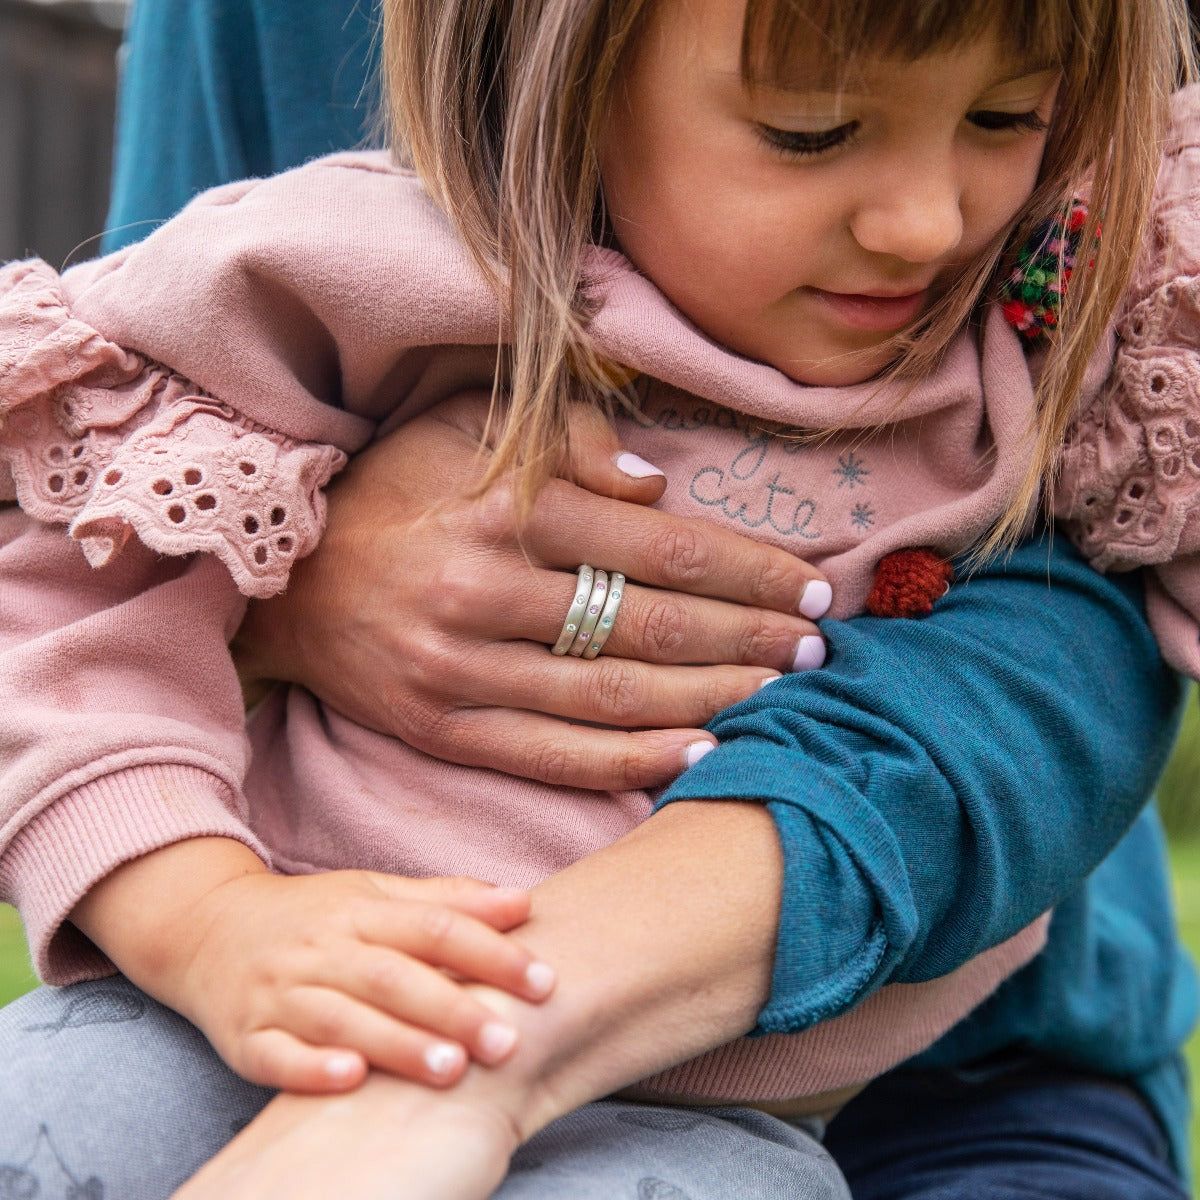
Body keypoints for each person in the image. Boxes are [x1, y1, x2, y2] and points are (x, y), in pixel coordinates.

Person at [0, 2, 1196, 1199]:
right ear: (560, 82)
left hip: (693, 1106)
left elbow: (1069, 654)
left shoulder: (1057, 326)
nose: (924, 223)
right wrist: (209, 922)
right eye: (810, 131)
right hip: (225, 998)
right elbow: (74, 599)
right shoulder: (343, 271)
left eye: (1003, 116)